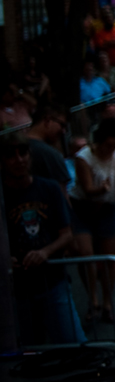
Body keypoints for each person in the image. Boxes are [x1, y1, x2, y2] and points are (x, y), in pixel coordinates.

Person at [3, 135, 86, 346]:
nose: (19, 160)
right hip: (17, 289)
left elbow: (67, 233)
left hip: (52, 280)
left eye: (23, 154)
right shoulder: (3, 195)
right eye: (11, 156)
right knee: (29, 350)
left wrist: (45, 252)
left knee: (72, 343)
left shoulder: (48, 188)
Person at [69, 117, 115, 323]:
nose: (111, 149)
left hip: (108, 207)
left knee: (109, 258)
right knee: (86, 254)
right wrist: (100, 189)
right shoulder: (83, 158)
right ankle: (92, 299)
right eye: (108, 145)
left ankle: (107, 302)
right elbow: (86, 189)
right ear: (100, 141)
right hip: (84, 206)